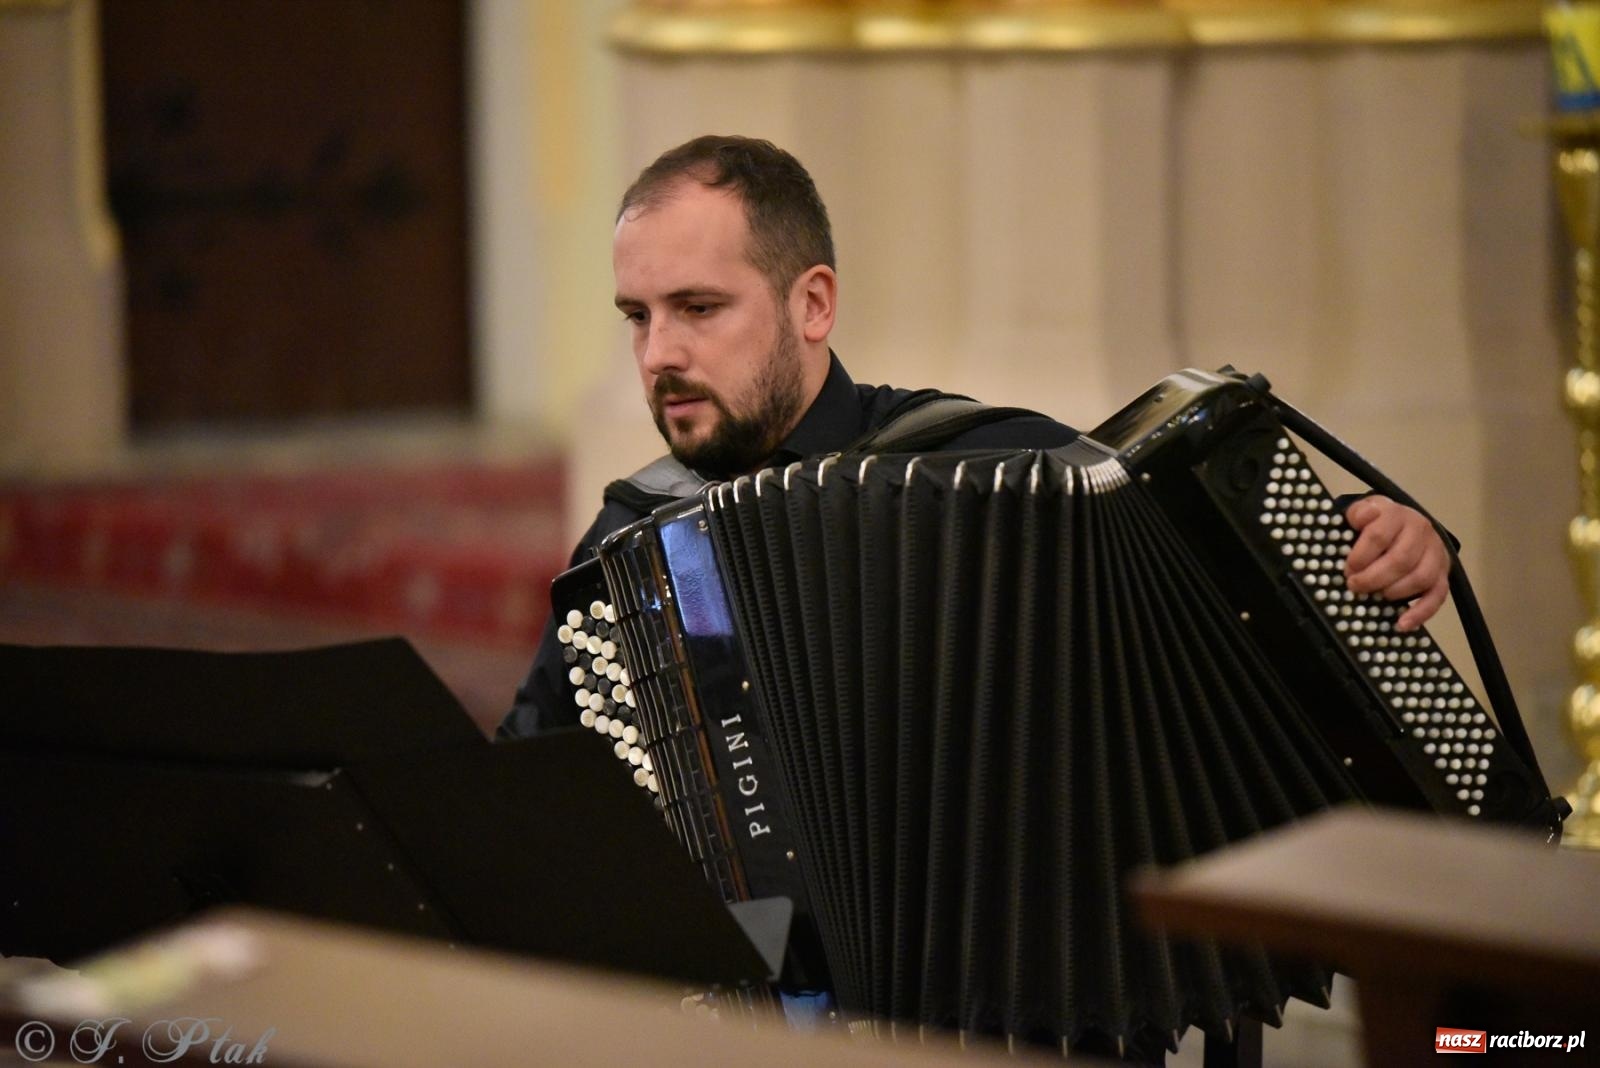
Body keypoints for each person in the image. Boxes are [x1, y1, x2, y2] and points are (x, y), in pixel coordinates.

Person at [498, 133, 1452, 740]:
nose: (659, 352)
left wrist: (1372, 538)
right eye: (637, 316)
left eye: (698, 308)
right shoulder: (634, 545)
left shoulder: (981, 464)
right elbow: (533, 794)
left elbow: (1227, 586)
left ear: (813, 303)